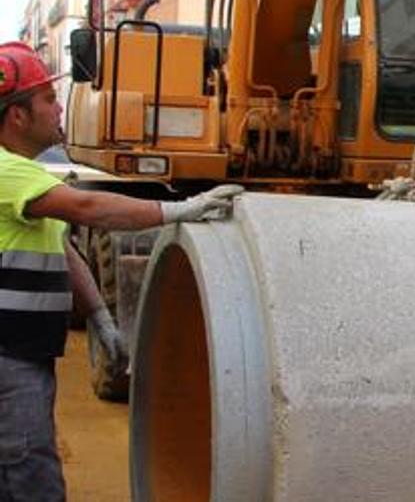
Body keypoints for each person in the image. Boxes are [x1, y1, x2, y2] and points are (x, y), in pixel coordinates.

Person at [0, 42, 240, 500]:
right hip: (8, 357)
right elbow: (90, 207)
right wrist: (179, 211)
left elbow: (63, 250)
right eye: (48, 99)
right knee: (28, 475)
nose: (59, 108)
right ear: (17, 116)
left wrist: (100, 316)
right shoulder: (7, 172)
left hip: (24, 354)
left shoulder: (26, 182)